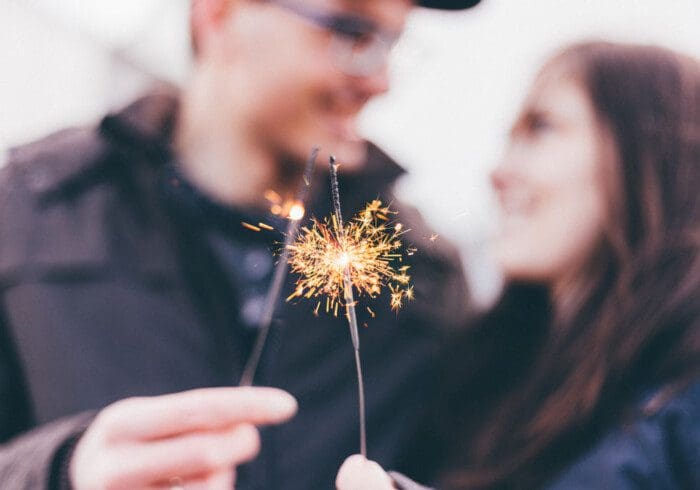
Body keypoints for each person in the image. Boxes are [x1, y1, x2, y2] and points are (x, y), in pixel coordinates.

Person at [0, 0, 480, 488]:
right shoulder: (23, 219)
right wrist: (60, 472)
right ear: (220, 15)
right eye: (352, 32)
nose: (381, 81)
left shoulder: (425, 281)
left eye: (391, 44)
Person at [336, 41, 700, 489]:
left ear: (654, 153)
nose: (499, 172)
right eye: (510, 138)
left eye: (541, 128)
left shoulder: (684, 395)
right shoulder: (487, 375)